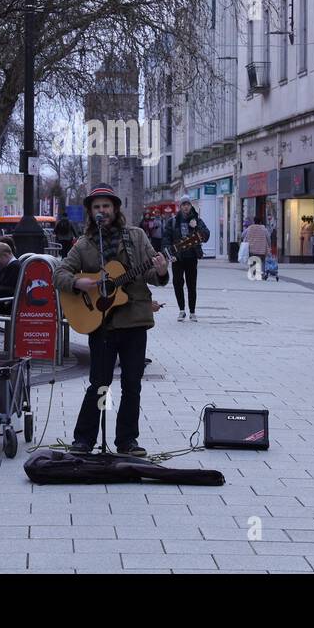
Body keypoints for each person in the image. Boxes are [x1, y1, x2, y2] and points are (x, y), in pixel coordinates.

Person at [53, 183, 168, 457]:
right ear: (91, 213)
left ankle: (127, 441)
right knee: (100, 384)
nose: (102, 211)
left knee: (132, 384)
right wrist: (79, 282)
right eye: (97, 207)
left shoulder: (137, 237)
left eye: (106, 206)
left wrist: (161, 271)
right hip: (101, 325)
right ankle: (84, 440)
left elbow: (153, 275)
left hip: (135, 322)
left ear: (115, 209)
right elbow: (59, 274)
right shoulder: (84, 245)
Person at [164, 194, 210, 320]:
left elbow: (206, 236)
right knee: (177, 283)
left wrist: (197, 227)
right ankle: (181, 310)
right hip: (177, 258)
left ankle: (192, 311)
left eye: (188, 204)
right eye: (183, 204)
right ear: (180, 206)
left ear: (190, 206)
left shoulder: (197, 220)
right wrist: (170, 255)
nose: (186, 207)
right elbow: (166, 240)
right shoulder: (173, 222)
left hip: (191, 257)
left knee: (191, 284)